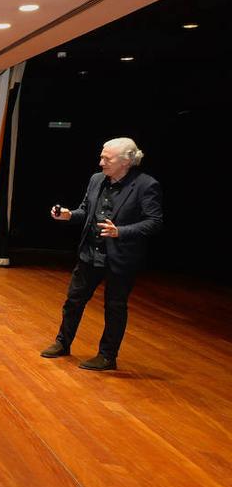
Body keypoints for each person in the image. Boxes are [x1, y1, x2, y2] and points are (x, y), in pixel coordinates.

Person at [42, 137, 163, 371]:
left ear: (126, 161)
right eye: (101, 157)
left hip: (120, 258)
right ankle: (62, 342)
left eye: (106, 158)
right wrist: (68, 215)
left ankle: (107, 356)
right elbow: (86, 211)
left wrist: (121, 232)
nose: (101, 163)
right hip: (90, 252)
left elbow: (154, 222)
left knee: (114, 307)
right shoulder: (97, 180)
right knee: (73, 301)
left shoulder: (146, 185)